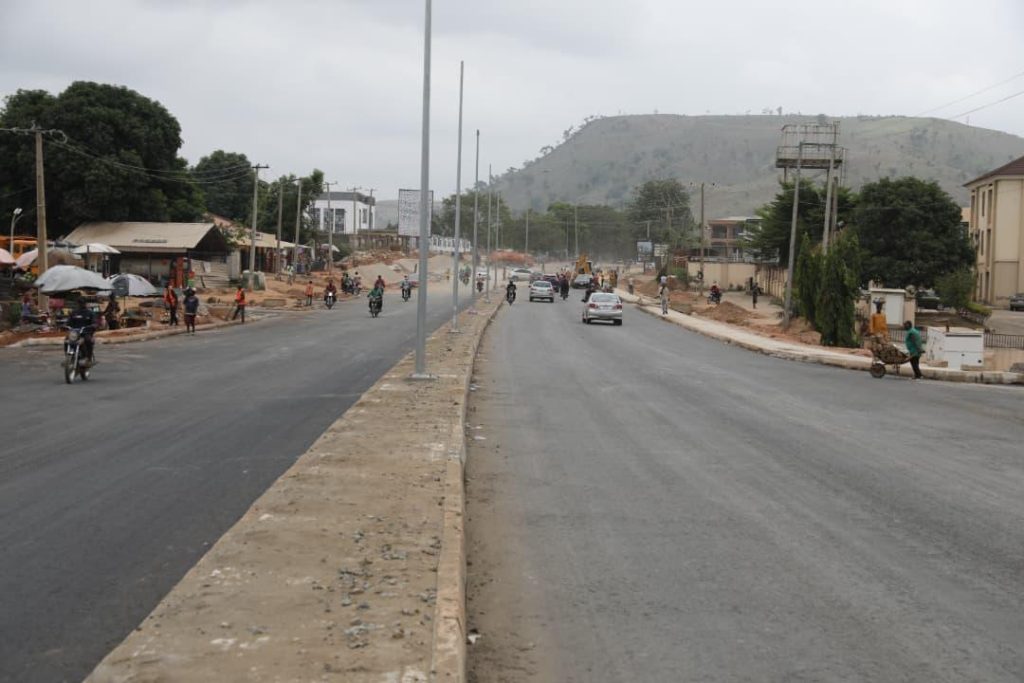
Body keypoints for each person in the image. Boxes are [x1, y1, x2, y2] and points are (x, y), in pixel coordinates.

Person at [68, 298, 97, 362]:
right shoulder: (74, 312)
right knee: (66, 340)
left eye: (82, 303)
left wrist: (93, 326)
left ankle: (88, 357)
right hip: (75, 333)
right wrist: (65, 326)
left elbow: (94, 322)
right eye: (79, 303)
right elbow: (69, 322)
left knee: (88, 340)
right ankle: (68, 356)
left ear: (85, 304)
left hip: (86, 332)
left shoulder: (90, 313)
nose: (81, 305)